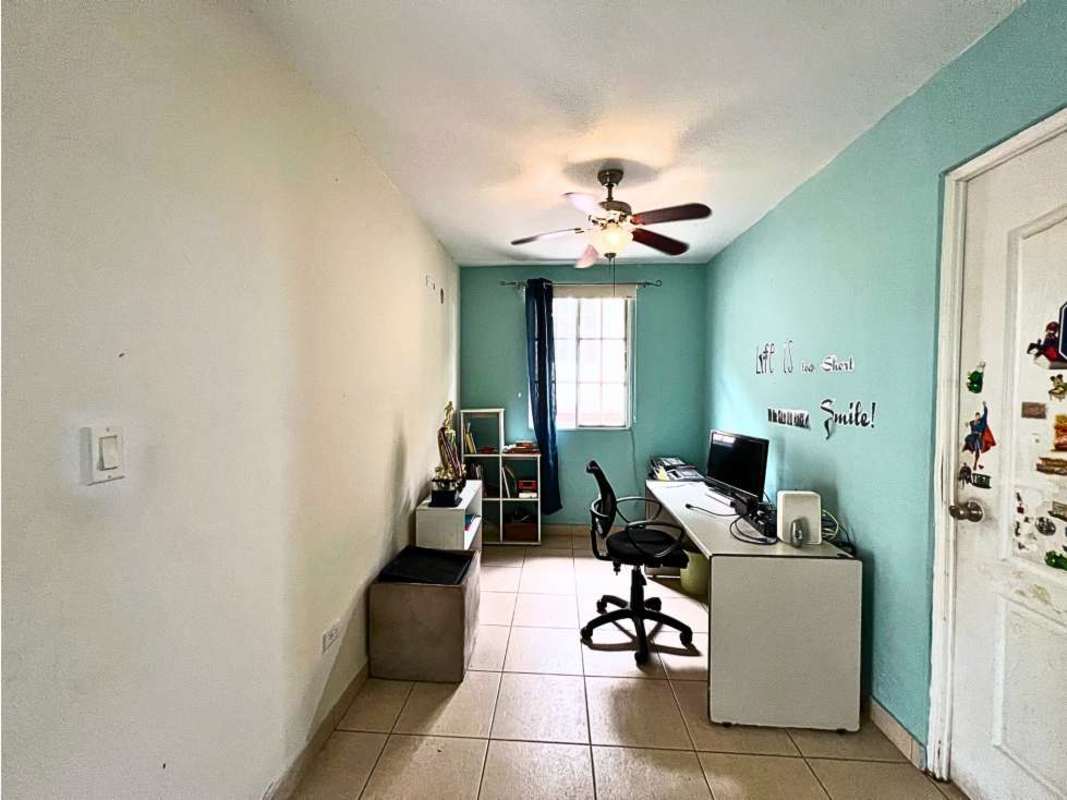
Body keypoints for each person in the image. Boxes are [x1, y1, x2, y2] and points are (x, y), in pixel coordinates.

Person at [962, 402, 996, 469]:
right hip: (972, 437)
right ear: (975, 416)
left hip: (978, 437)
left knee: (977, 447)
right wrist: (967, 424)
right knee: (967, 439)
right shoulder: (972, 422)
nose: (978, 417)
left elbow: (985, 414)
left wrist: (984, 406)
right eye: (977, 416)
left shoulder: (982, 421)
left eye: (979, 416)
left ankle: (975, 463)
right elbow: (968, 423)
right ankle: (967, 447)